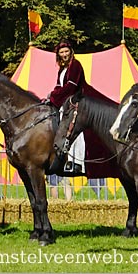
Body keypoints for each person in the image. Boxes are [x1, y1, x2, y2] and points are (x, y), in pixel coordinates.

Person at [47, 39, 86, 174]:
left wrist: (53, 96)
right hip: (66, 102)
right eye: (62, 52)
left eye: (66, 51)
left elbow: (71, 87)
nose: (64, 54)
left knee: (75, 129)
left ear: (70, 51)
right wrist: (50, 96)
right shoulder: (62, 69)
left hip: (77, 102)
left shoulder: (75, 65)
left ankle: (78, 163)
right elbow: (59, 86)